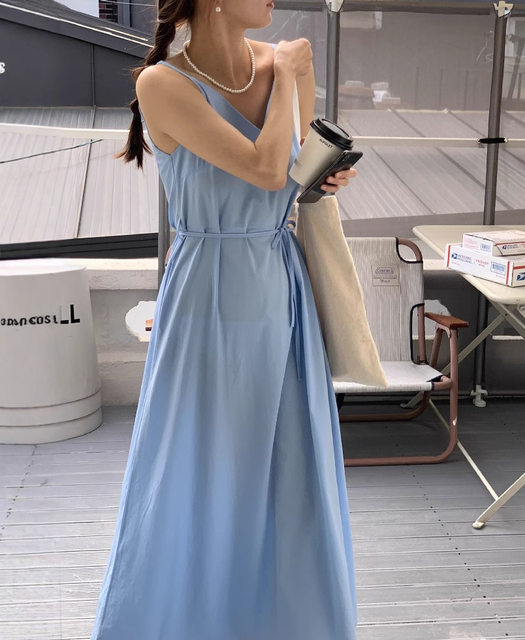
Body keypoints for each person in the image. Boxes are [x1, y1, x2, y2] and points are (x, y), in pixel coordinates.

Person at [89, 0, 360, 638]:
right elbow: (264, 168)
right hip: (207, 291)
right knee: (203, 464)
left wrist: (322, 180)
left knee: (290, 466)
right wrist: (289, 77)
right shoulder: (162, 84)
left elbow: (293, 179)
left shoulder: (285, 62)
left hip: (278, 280)